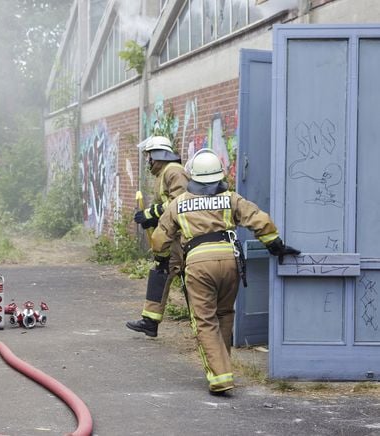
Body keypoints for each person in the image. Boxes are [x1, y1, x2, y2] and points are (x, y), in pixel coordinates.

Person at [150, 148, 299, 394]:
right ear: (219, 175)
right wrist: (276, 245)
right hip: (231, 261)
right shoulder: (231, 198)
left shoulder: (179, 203)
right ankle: (224, 367)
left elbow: (160, 239)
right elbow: (258, 219)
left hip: (198, 264)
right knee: (224, 314)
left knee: (205, 321)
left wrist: (162, 259)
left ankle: (220, 377)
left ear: (193, 176)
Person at [126, 136, 189, 337]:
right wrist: (152, 218)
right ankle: (150, 321)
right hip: (173, 237)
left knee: (190, 281)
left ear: (157, 155)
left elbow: (179, 202)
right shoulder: (163, 174)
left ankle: (208, 326)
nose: (148, 161)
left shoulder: (173, 171)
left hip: (183, 237)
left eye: (149, 156)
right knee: (161, 273)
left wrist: (149, 214)